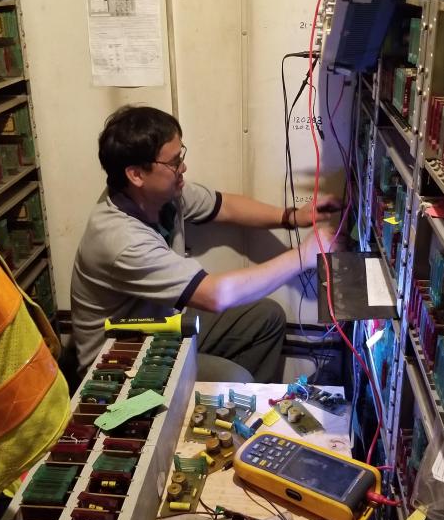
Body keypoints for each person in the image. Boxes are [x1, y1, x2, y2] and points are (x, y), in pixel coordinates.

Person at [71, 105, 343, 383]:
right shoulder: (119, 239)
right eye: (174, 162)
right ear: (136, 175)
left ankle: (230, 410)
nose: (183, 167)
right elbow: (216, 295)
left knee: (266, 318)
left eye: (181, 155)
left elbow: (224, 206)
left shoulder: (161, 196)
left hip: (160, 329)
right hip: (121, 363)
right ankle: (228, 405)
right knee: (235, 378)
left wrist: (292, 217)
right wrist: (303, 256)